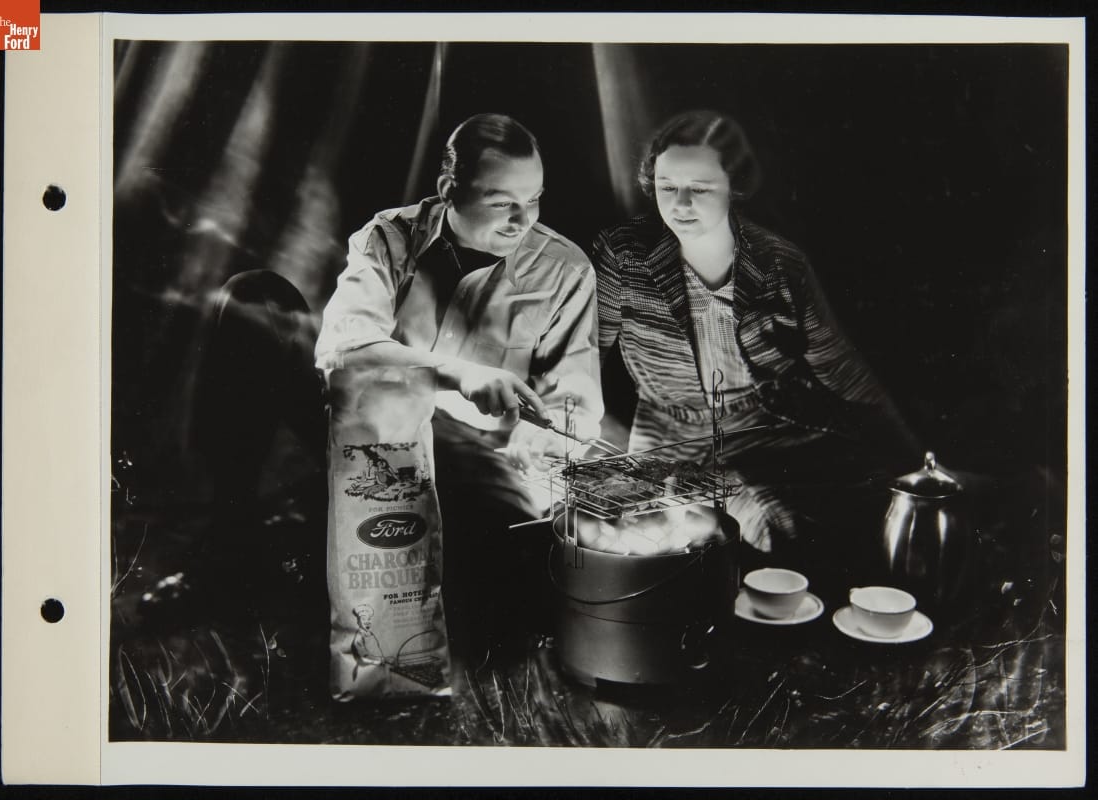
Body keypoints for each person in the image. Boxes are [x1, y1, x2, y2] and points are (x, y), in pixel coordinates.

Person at [314, 113, 603, 658]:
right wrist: (462, 374)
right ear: (449, 189)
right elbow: (343, 348)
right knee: (252, 298)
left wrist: (545, 437)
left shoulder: (566, 270)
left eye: (534, 200)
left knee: (505, 595)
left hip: (483, 465)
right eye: (501, 202)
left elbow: (574, 400)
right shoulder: (388, 237)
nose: (522, 220)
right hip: (373, 437)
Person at [592, 110, 918, 565]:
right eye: (667, 187)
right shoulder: (623, 255)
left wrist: (913, 460)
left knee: (796, 526)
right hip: (668, 436)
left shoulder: (779, 264)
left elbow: (839, 367)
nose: (680, 204)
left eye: (700, 189)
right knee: (680, 543)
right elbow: (588, 352)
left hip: (765, 431)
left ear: (735, 185)